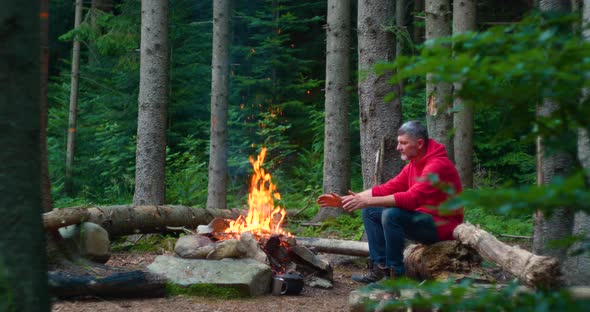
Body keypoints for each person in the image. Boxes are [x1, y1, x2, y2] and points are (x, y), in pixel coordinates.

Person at [317, 120, 463, 283]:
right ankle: (380, 269)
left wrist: (366, 201)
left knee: (392, 215)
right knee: (371, 212)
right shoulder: (414, 164)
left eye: (403, 143)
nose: (398, 147)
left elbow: (411, 199)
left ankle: (395, 277)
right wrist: (346, 200)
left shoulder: (436, 165)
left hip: (443, 226)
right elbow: (387, 188)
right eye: (398, 142)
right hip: (424, 219)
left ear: (419, 143)